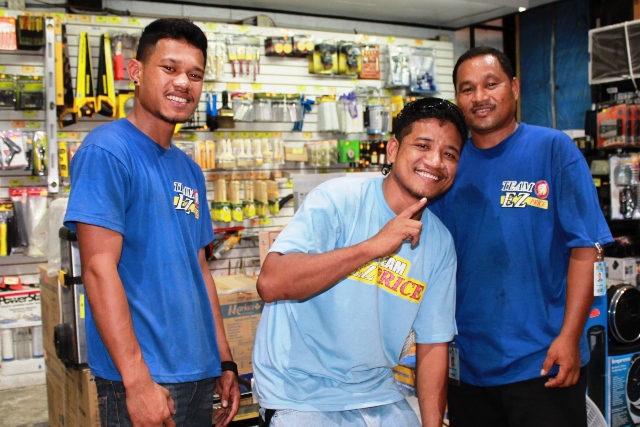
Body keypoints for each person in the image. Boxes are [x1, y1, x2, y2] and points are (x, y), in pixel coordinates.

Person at [63, 18, 239, 427]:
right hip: (146, 378)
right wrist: (136, 380)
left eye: (195, 74)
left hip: (197, 372)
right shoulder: (107, 151)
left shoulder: (189, 169)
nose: (184, 83)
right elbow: (97, 267)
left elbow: (198, 270)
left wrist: (224, 359)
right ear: (136, 72)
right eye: (170, 68)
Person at [252, 97, 468, 427]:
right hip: (301, 395)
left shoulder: (439, 243)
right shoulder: (338, 199)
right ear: (393, 149)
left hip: (379, 395)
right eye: (422, 145)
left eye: (449, 154)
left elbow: (433, 346)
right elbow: (271, 284)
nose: (435, 161)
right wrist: (372, 247)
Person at [429, 46, 614, 427]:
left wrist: (570, 337)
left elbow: (585, 249)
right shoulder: (448, 164)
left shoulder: (552, 149)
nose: (479, 97)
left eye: (490, 84)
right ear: (457, 99)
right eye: (467, 89)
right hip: (468, 368)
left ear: (514, 87)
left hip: (544, 363)